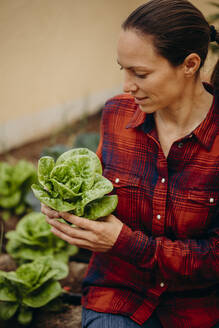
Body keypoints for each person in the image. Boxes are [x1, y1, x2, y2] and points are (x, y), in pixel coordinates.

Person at [41, 0, 219, 327]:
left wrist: (126, 243)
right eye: (122, 69)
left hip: (196, 306)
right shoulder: (116, 114)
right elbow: (94, 192)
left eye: (141, 73)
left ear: (190, 64)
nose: (126, 85)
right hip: (118, 293)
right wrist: (66, 208)